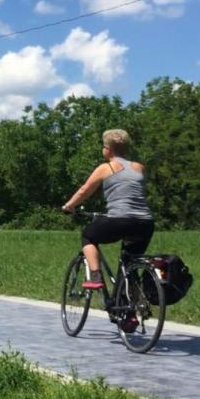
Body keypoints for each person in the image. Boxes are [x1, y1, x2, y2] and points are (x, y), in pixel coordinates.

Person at [61, 129, 154, 325]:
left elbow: (85, 190)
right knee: (128, 264)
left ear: (108, 150)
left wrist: (69, 206)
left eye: (104, 147)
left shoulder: (106, 168)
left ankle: (95, 276)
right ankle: (129, 311)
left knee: (88, 235)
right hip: (145, 223)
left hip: (119, 219)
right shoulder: (139, 167)